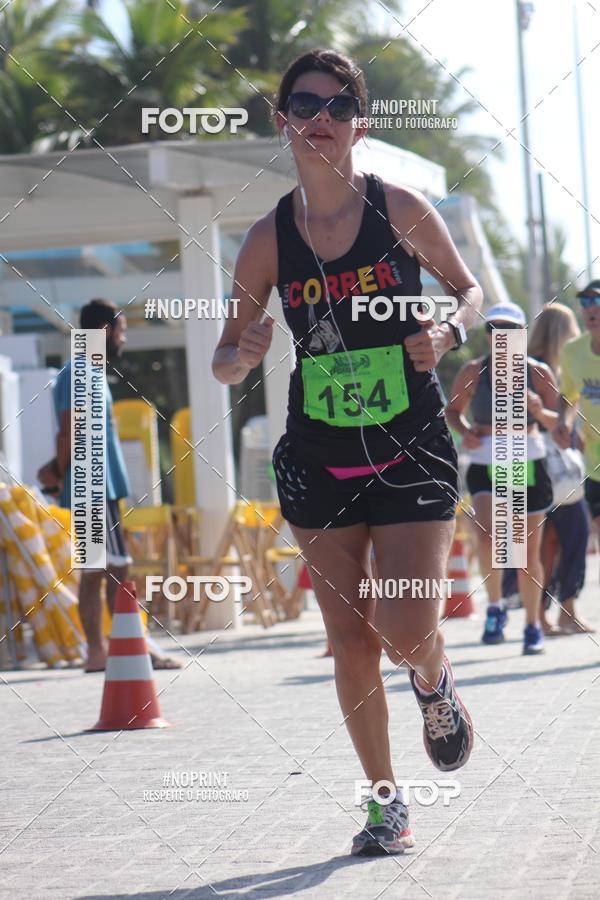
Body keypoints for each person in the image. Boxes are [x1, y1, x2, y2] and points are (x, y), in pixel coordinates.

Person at [213, 49, 481, 856]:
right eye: (305, 104)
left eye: (336, 106)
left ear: (359, 125)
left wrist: (448, 331)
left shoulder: (398, 208)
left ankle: (433, 678)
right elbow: (224, 357)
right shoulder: (268, 239)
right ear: (283, 120)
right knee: (352, 638)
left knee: (404, 630)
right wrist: (242, 355)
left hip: (411, 446)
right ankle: (385, 804)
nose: (319, 118)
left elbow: (468, 290)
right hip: (318, 455)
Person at [38, 299, 180, 672]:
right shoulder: (82, 370)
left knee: (95, 569)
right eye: (121, 330)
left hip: (90, 483)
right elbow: (70, 427)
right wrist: (61, 472)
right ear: (104, 330)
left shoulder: (82, 370)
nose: (124, 338)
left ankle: (99, 652)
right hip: (94, 485)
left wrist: (59, 470)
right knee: (119, 567)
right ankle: (134, 648)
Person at [446, 301, 557, 654]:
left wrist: (539, 410)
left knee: (525, 550)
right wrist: (466, 431)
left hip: (526, 459)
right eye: (493, 329)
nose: (501, 336)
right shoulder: (474, 371)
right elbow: (452, 411)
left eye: (508, 330)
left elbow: (558, 421)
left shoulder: (537, 372)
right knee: (487, 537)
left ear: (521, 334)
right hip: (486, 458)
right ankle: (494, 609)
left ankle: (533, 625)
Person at [527, 302, 591, 634]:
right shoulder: (552, 369)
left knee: (547, 541)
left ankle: (543, 614)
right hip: (556, 468)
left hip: (536, 465)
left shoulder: (528, 366)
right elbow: (553, 421)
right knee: (572, 535)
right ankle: (564, 610)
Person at [555, 280, 600, 579]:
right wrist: (564, 421)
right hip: (594, 462)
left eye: (596, 301)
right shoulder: (573, 352)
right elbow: (568, 395)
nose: (590, 309)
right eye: (584, 303)